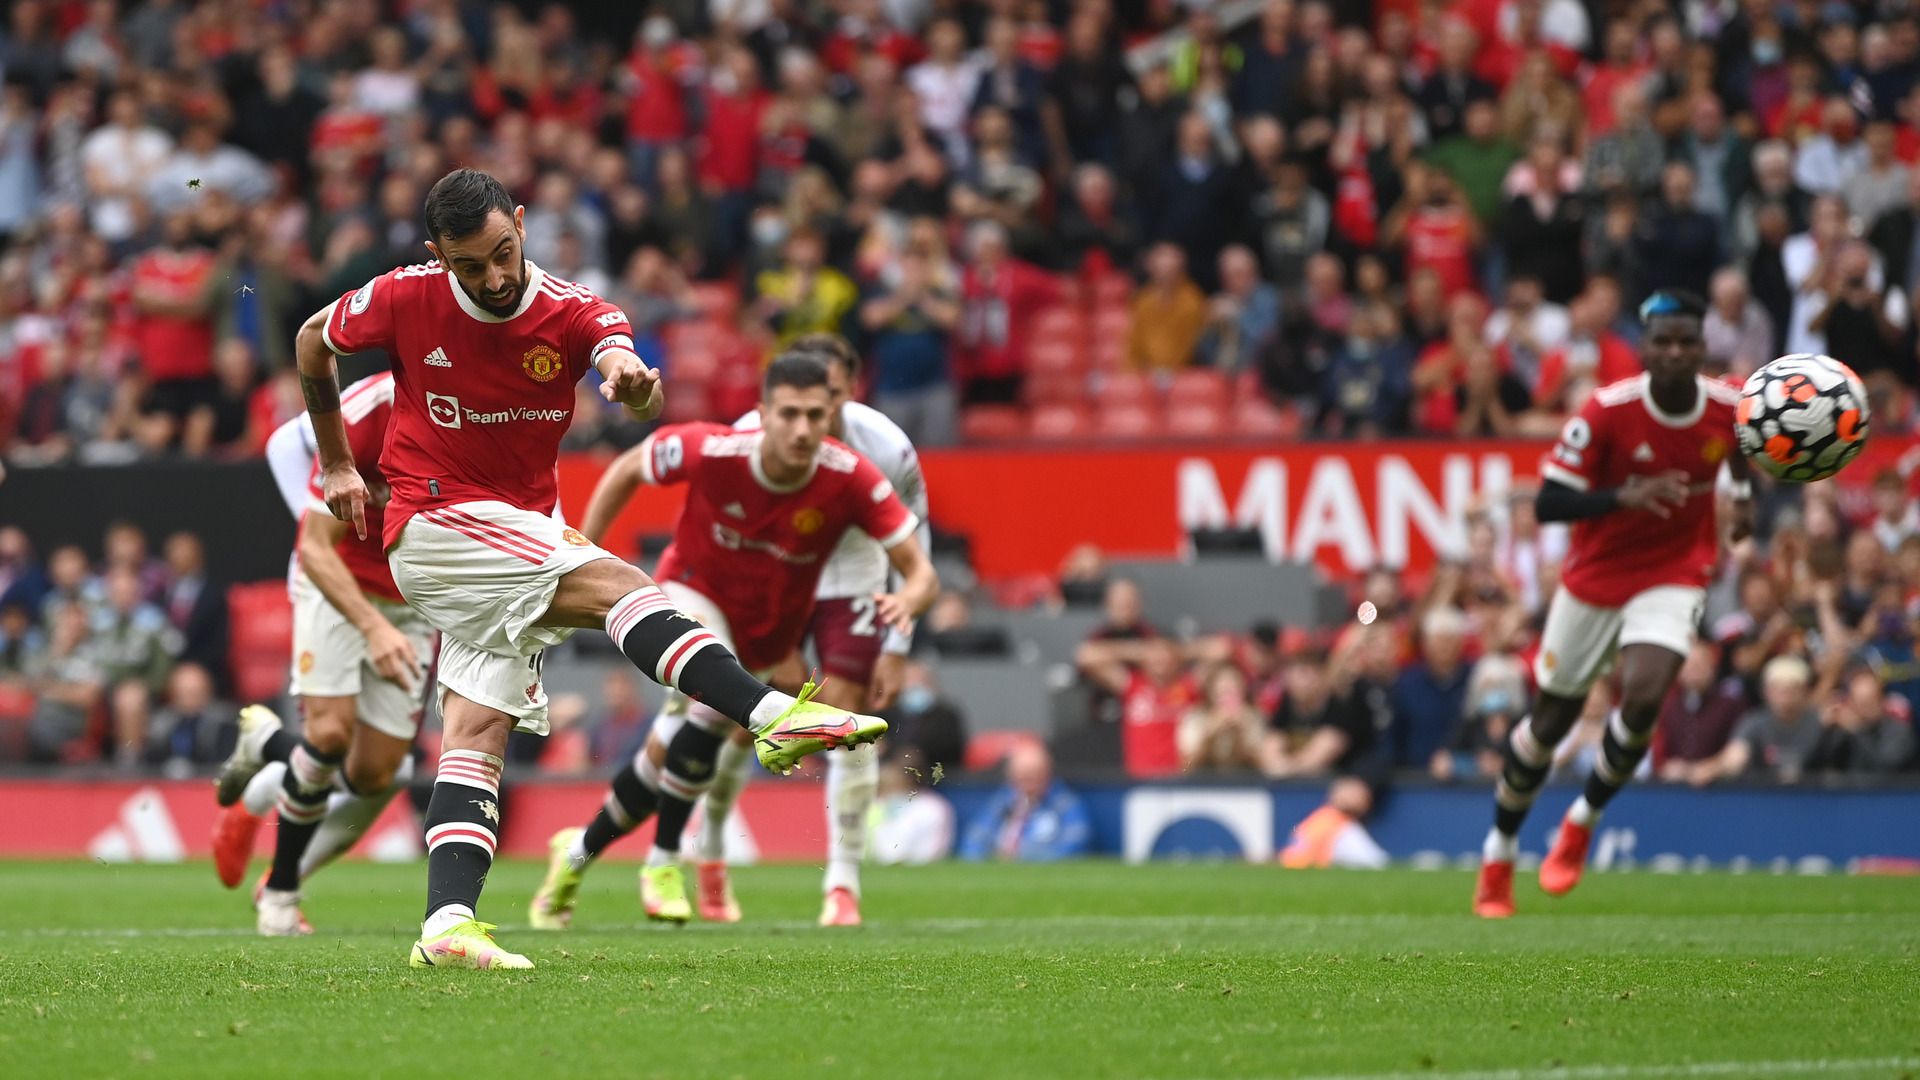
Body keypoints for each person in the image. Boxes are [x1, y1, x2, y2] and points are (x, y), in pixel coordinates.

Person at [300, 168, 894, 970]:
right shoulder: (404, 297)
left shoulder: (575, 311)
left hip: (511, 526)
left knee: (477, 731)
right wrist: (338, 463)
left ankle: (445, 924)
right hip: (436, 521)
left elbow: (622, 364)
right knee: (624, 588)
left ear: (521, 222)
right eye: (470, 266)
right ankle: (767, 715)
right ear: (438, 256)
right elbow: (312, 342)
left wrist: (633, 384)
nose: (495, 276)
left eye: (504, 252)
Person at [525, 350, 938, 931]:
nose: (802, 429)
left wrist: (910, 601)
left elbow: (920, 569)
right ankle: (667, 860)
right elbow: (626, 469)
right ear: (762, 413)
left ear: (833, 414)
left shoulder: (852, 474)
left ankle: (575, 855)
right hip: (693, 591)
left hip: (767, 627)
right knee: (708, 710)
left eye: (816, 415)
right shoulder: (715, 448)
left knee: (668, 751)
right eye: (789, 413)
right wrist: (580, 552)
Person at [1473, 289, 1753, 918]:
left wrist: (1743, 500)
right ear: (1645, 350)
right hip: (1595, 579)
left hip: (1676, 571)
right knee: (1548, 727)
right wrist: (1622, 496)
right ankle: (1499, 853)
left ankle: (1580, 822)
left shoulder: (1731, 405)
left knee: (1647, 691)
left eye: (1688, 342)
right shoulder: (1604, 411)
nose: (1677, 353)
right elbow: (1546, 504)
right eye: (1665, 342)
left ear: (1702, 347)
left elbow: (1740, 454)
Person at [696, 333, 935, 927]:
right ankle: (712, 851)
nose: (812, 416)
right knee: (740, 722)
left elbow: (916, 537)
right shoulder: (746, 436)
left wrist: (900, 643)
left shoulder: (887, 447)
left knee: (848, 714)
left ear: (847, 393)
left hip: (850, 573)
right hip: (769, 572)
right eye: (798, 403)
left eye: (826, 398)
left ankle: (843, 883)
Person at [206, 372, 436, 936]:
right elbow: (286, 445)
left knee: (379, 773)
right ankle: (281, 894)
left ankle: (265, 756)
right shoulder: (369, 406)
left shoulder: (487, 409)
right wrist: (312, 525)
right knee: (329, 736)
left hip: (414, 600)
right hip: (337, 584)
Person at [957, 743, 1091, 861]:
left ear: (1047, 774)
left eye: (1034, 777)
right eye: (1022, 778)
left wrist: (1024, 856)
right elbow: (976, 836)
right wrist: (980, 860)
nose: (1028, 785)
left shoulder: (1064, 803)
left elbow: (1075, 842)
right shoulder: (1003, 800)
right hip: (999, 867)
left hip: (1041, 871)